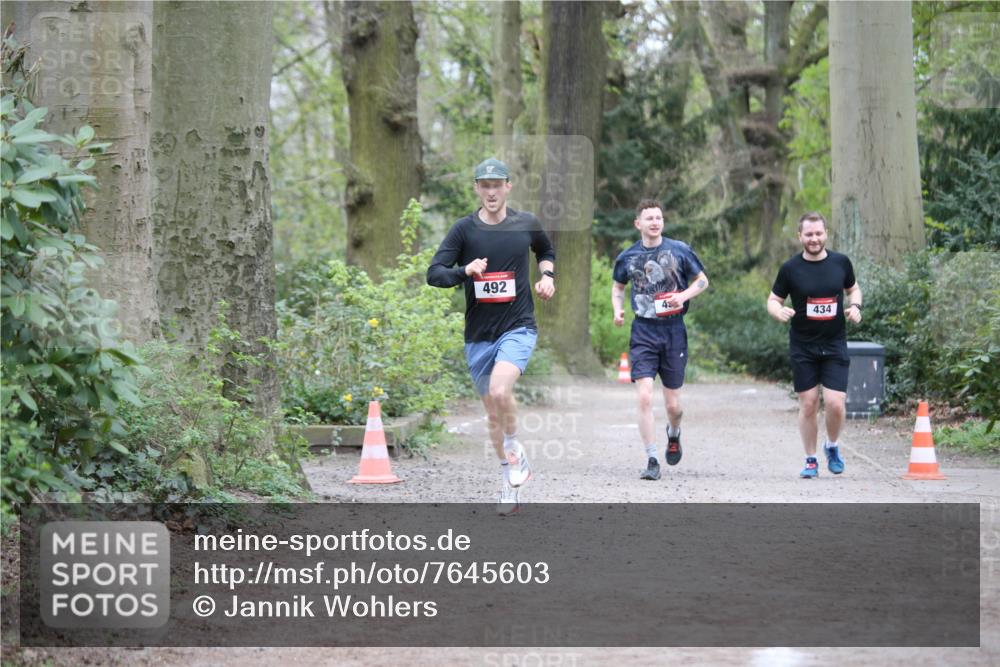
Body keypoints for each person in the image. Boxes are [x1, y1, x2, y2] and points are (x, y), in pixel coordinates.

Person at [426, 157, 555, 514]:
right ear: (477, 189)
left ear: (508, 187)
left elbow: (545, 250)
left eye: (497, 185)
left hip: (518, 327)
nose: (491, 192)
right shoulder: (464, 230)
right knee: (492, 412)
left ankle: (516, 453)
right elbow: (434, 273)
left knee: (501, 390)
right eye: (485, 185)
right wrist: (465, 271)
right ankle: (508, 481)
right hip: (478, 335)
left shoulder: (525, 223)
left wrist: (548, 276)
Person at [612, 199, 709, 481]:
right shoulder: (627, 257)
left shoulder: (679, 250)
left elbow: (702, 281)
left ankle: (674, 433)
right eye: (649, 218)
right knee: (644, 396)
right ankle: (652, 458)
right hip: (643, 331)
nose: (655, 222)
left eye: (659, 218)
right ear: (638, 224)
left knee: (673, 406)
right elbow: (618, 287)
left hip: (673, 330)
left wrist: (682, 296)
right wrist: (617, 309)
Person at [767, 211, 863, 478]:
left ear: (826, 234)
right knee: (808, 403)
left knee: (835, 403)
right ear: (800, 237)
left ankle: (831, 446)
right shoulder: (790, 269)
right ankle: (810, 459)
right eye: (808, 234)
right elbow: (773, 300)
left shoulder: (841, 263)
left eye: (818, 233)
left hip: (834, 344)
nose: (814, 238)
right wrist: (778, 311)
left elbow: (853, 289)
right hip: (803, 346)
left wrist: (855, 306)